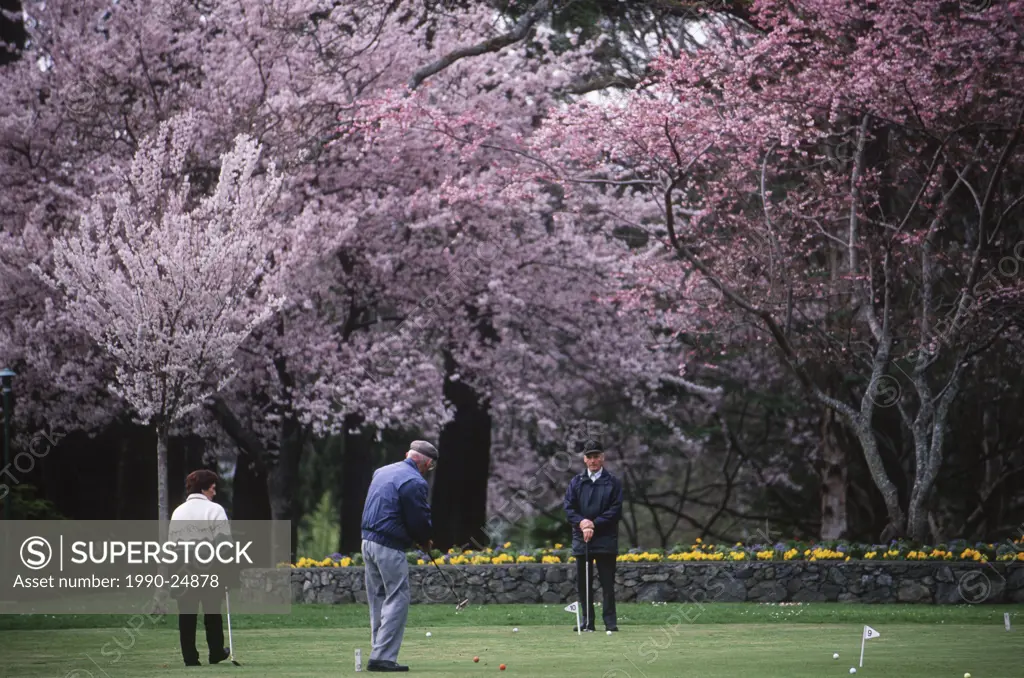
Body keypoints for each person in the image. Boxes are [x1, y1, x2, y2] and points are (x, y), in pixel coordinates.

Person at [360, 440, 438, 672]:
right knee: (398, 597)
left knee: (378, 598)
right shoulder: (415, 481)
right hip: (389, 545)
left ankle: (378, 650)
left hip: (367, 542)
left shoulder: (381, 471)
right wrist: (424, 540)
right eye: (430, 467)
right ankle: (382, 657)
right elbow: (418, 518)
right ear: (427, 463)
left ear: (407, 455)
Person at [168, 469, 232, 667]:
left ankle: (190, 657)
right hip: (209, 566)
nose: (214, 492)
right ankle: (215, 652)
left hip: (182, 566)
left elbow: (172, 545)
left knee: (187, 614)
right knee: (212, 611)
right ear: (204, 489)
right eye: (212, 488)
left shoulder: (178, 511)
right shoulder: (215, 510)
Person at [563, 439, 623, 632]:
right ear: (584, 459)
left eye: (596, 456)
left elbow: (615, 510)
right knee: (584, 584)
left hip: (605, 539)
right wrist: (582, 523)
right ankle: (587, 621)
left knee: (607, 583)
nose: (593, 460)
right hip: (582, 539)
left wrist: (593, 524)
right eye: (590, 457)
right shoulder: (576, 482)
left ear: (602, 458)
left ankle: (610, 622)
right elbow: (569, 508)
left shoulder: (613, 482)